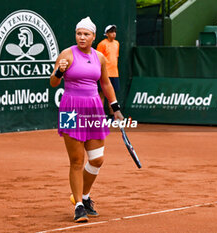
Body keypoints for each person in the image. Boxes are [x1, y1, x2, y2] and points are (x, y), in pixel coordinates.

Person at [50, 17, 124, 223]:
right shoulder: (67, 54)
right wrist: (59, 71)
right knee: (76, 161)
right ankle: (79, 207)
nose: (81, 37)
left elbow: (106, 84)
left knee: (97, 159)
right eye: (79, 34)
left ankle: (82, 195)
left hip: (93, 110)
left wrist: (115, 107)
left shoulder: (99, 57)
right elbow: (54, 82)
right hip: (71, 109)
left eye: (86, 34)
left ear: (93, 36)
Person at [96, 25, 120, 119]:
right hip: (104, 74)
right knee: (101, 95)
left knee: (112, 96)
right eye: (111, 32)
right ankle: (100, 117)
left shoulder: (117, 43)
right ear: (106, 34)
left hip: (115, 73)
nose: (113, 34)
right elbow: (98, 59)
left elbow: (115, 58)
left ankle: (113, 117)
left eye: (114, 31)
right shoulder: (102, 44)